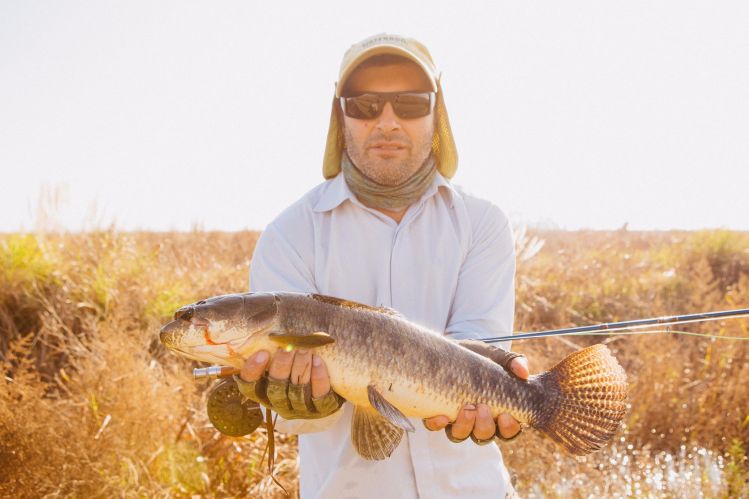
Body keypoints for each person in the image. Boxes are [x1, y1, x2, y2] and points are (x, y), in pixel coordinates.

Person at [234, 33, 528, 498]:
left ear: (438, 114)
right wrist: (297, 398)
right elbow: (289, 402)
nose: (387, 121)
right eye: (365, 105)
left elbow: (479, 349)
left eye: (410, 104)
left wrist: (504, 396)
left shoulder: (482, 223)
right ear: (340, 116)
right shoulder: (289, 234)